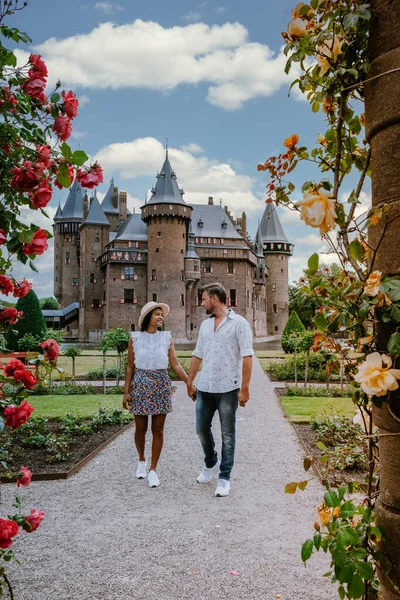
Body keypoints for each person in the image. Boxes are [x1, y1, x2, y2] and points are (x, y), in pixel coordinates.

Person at [187, 283, 253, 497]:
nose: (202, 302)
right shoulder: (205, 326)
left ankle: (224, 477)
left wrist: (244, 388)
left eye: (204, 299)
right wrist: (190, 381)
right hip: (205, 386)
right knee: (200, 429)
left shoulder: (239, 324)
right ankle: (210, 462)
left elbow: (247, 356)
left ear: (215, 299)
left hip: (228, 388)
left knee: (228, 434)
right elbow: (198, 354)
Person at [123, 301, 188, 488]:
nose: (161, 317)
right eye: (157, 314)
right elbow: (130, 366)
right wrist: (126, 392)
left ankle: (153, 469)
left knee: (158, 429)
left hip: (160, 383)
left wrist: (189, 382)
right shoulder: (135, 338)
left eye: (162, 315)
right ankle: (142, 460)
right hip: (141, 384)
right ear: (148, 317)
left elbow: (175, 364)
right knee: (140, 429)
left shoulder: (166, 338)